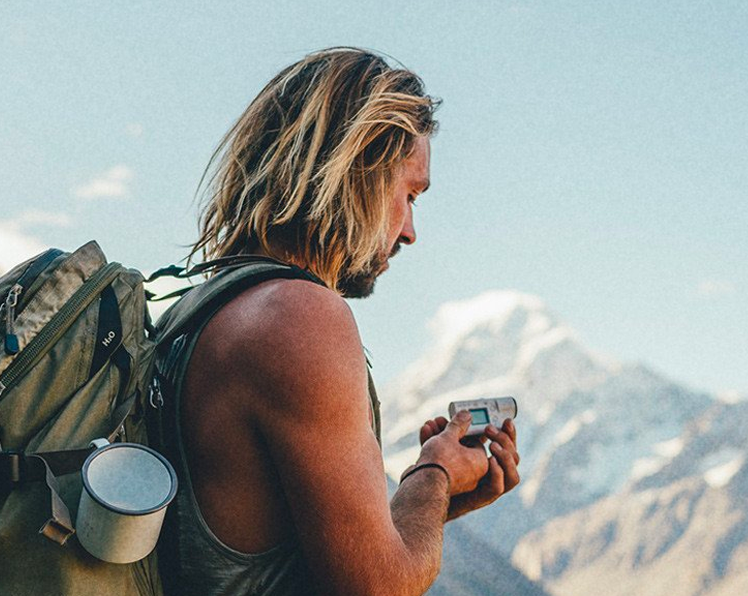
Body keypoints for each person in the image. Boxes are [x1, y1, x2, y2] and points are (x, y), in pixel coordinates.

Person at [168, 47, 521, 595]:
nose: (409, 231)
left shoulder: (205, 309)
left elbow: (322, 563)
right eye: (408, 193)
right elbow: (377, 588)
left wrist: (430, 496)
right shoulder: (299, 317)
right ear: (356, 172)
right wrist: (437, 474)